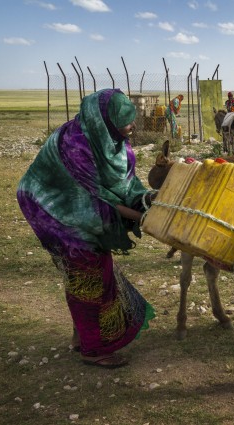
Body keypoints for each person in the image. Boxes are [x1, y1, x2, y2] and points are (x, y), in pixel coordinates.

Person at [17, 89, 156, 368]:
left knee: (91, 269)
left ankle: (81, 336)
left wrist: (148, 199)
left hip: (81, 205)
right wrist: (145, 218)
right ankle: (93, 350)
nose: (132, 127)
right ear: (106, 120)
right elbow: (93, 198)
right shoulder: (75, 144)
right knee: (88, 272)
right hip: (54, 207)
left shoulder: (114, 142)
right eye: (126, 122)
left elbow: (123, 186)